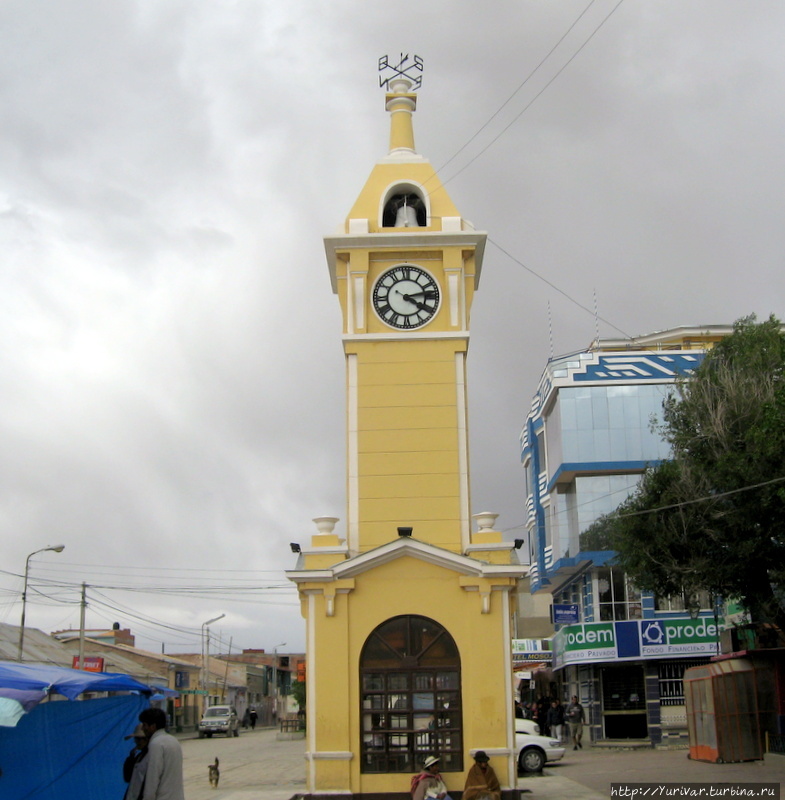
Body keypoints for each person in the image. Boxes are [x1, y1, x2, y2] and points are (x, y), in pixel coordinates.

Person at [138, 707, 184, 800]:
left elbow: (152, 778)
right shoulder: (173, 740)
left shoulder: (156, 744)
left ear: (153, 726)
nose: (142, 728)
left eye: (144, 725)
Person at [123, 723, 149, 800]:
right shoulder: (139, 757)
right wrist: (130, 759)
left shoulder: (150, 757)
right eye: (136, 739)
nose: (136, 742)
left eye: (138, 739)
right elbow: (128, 777)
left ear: (146, 739)